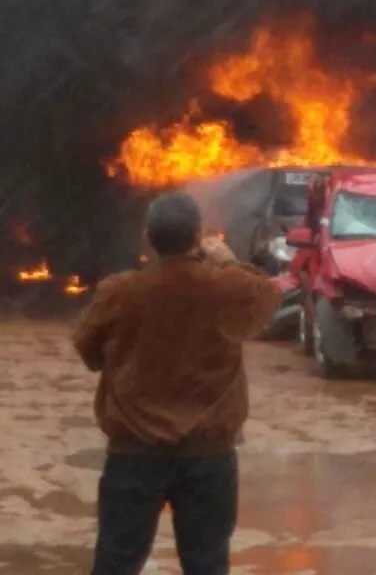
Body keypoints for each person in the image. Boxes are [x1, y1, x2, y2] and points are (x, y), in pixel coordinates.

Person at [74, 191, 281, 575]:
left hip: (134, 454)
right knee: (207, 563)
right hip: (209, 455)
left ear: (148, 239)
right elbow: (269, 294)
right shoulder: (226, 287)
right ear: (198, 237)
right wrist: (230, 261)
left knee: (117, 561)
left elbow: (87, 351)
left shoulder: (120, 292)